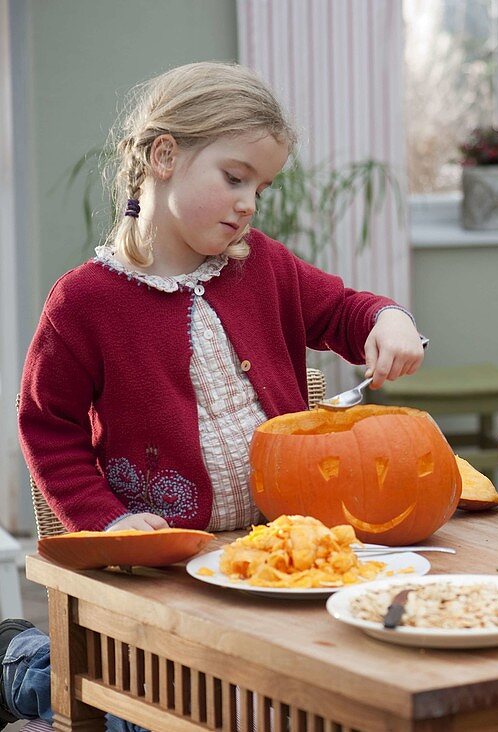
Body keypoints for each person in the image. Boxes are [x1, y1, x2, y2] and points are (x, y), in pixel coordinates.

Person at [3, 61, 426, 731]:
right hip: (158, 581)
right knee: (149, 713)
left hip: (272, 567)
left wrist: (387, 321)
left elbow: (346, 308)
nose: (248, 203)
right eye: (235, 178)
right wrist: (110, 524)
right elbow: (46, 427)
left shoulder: (267, 266)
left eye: (260, 186)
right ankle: (24, 664)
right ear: (165, 157)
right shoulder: (84, 302)